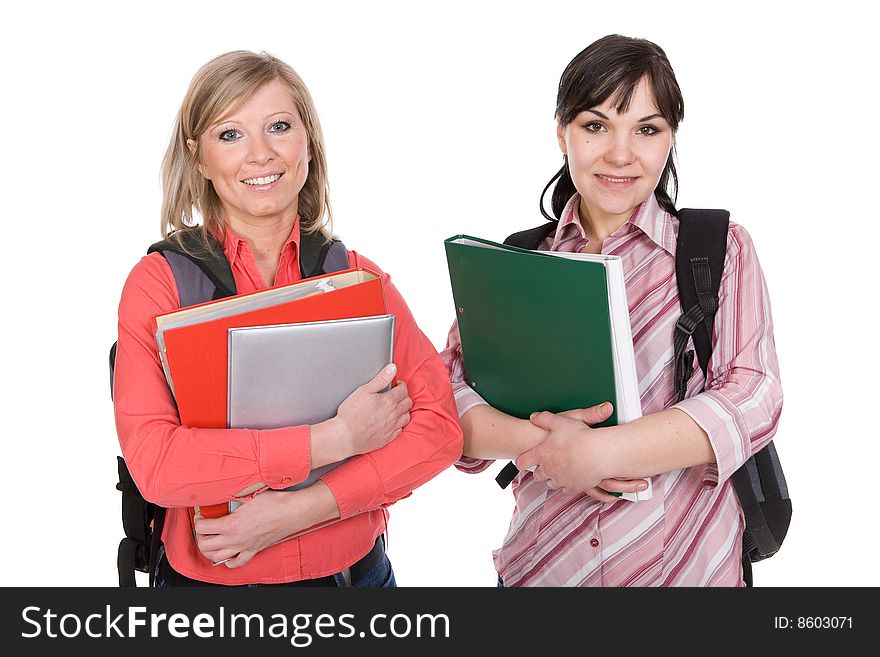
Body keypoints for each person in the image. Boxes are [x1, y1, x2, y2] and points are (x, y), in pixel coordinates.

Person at [440, 34, 783, 587]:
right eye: (596, 125)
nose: (621, 154)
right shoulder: (520, 261)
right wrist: (542, 447)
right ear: (562, 133)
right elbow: (447, 396)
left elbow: (755, 394)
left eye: (647, 130)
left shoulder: (717, 249)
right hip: (544, 571)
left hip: (688, 577)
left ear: (670, 139)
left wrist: (602, 453)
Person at [114, 50, 463, 586]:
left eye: (279, 127)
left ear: (307, 143)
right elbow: (158, 465)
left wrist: (300, 511)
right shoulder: (160, 285)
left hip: (359, 581)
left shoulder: (357, 277)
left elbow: (438, 431)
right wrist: (338, 439)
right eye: (230, 134)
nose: (261, 154)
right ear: (199, 158)